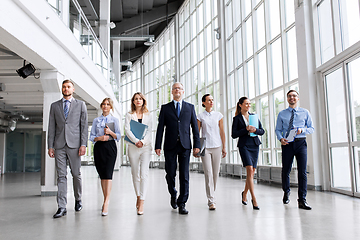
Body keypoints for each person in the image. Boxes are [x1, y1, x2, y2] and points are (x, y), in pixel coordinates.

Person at [155, 82, 200, 215]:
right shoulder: (165, 108)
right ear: (172, 92)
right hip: (170, 145)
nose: (177, 90)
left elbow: (195, 129)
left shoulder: (190, 108)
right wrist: (158, 145)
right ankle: (173, 192)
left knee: (184, 175)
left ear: (183, 91)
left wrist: (197, 145)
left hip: (185, 145)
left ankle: (182, 203)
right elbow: (160, 129)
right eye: (175, 89)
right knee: (170, 173)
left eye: (179, 88)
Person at [48, 79, 88, 218]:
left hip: (75, 145)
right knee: (61, 176)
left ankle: (78, 199)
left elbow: (84, 127)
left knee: (76, 174)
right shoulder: (54, 106)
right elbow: (51, 127)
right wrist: (50, 146)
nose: (66, 89)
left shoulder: (81, 105)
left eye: (68, 87)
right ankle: (62, 207)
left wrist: (83, 144)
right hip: (59, 145)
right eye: (64, 87)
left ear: (73, 89)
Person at [275, 90, 314, 210]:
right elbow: (278, 130)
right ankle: (286, 192)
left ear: (298, 98)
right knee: (286, 170)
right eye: (289, 96)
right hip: (287, 143)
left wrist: (302, 130)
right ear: (287, 99)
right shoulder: (282, 114)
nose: (292, 98)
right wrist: (281, 139)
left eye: (294, 96)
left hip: (301, 143)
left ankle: (302, 199)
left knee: (302, 172)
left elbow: (311, 128)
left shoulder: (305, 112)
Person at [231, 97, 264, 210]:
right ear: (240, 105)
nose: (248, 105)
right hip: (244, 145)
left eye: (249, 104)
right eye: (246, 103)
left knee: (252, 172)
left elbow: (262, 131)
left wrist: (255, 130)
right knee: (249, 169)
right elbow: (234, 134)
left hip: (254, 145)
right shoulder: (237, 119)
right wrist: (246, 129)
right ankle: (254, 199)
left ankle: (244, 193)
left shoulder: (254, 116)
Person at [89, 98, 121, 216]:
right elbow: (91, 136)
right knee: (102, 175)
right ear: (101, 106)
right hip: (99, 148)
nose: (105, 106)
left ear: (111, 107)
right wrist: (99, 138)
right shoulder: (96, 120)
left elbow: (118, 136)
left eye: (108, 104)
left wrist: (110, 133)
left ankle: (106, 201)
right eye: (104, 104)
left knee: (108, 174)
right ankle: (105, 198)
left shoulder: (115, 120)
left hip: (110, 147)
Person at [197, 94, 226, 210]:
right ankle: (211, 200)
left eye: (212, 100)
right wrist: (197, 148)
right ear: (204, 103)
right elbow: (197, 133)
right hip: (205, 147)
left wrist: (224, 147)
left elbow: (222, 132)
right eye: (209, 100)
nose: (211, 102)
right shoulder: (200, 116)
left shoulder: (218, 115)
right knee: (208, 173)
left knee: (215, 173)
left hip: (217, 146)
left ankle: (211, 194)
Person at [125, 92, 152, 215]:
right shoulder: (129, 115)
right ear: (133, 101)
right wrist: (136, 141)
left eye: (140, 98)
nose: (138, 100)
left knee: (144, 174)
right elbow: (127, 130)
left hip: (145, 147)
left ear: (143, 101)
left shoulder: (148, 115)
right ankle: (137, 195)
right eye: (136, 99)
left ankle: (142, 200)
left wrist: (142, 141)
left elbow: (150, 130)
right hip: (133, 146)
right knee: (135, 173)